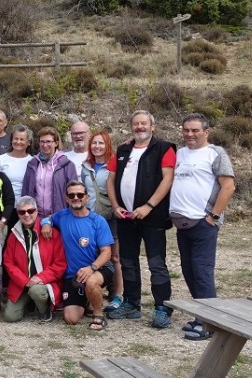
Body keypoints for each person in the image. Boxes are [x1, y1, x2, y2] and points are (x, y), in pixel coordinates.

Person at [106, 110, 176, 328]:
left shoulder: (164, 148)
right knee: (128, 261)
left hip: (152, 216)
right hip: (126, 217)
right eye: (136, 124)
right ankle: (132, 303)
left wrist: (148, 206)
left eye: (144, 123)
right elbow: (111, 180)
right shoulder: (123, 149)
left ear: (152, 126)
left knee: (156, 263)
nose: (139, 127)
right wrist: (116, 205)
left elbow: (168, 179)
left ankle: (162, 307)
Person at [169, 113, 235, 341]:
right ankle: (202, 315)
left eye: (195, 130)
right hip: (182, 223)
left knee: (202, 271)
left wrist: (213, 216)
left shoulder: (215, 154)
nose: (190, 134)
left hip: (203, 223)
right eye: (186, 129)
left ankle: (210, 324)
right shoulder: (179, 153)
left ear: (206, 131)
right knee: (188, 270)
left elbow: (228, 186)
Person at [41, 181, 114, 331]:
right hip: (73, 275)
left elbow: (107, 253)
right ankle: (89, 299)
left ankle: (98, 314)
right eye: (71, 195)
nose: (76, 198)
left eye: (80, 195)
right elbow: (47, 218)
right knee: (70, 318)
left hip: (98, 267)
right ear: (66, 199)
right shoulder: (62, 216)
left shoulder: (97, 221)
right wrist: (46, 223)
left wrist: (91, 268)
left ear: (87, 197)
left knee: (91, 282)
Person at [2, 197, 66, 323]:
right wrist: (24, 281)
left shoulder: (51, 232)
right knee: (10, 317)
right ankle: (29, 304)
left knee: (36, 291)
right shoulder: (14, 234)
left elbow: (60, 264)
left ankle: (44, 310)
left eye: (30, 211)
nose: (26, 215)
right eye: (22, 212)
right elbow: (8, 263)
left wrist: (40, 278)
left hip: (43, 284)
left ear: (37, 211)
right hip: (22, 284)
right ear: (18, 214)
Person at [79, 130, 123, 313]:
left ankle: (118, 294)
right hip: (91, 218)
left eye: (101, 143)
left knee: (114, 257)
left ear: (108, 145)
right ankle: (94, 291)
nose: (97, 147)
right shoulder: (85, 166)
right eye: (94, 143)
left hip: (110, 217)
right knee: (93, 254)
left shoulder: (114, 165)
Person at [22, 127, 77, 217]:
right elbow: (25, 190)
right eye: (42, 141)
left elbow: (73, 192)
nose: (45, 145)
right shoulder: (32, 164)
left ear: (56, 143)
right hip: (35, 216)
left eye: (48, 141)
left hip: (59, 215)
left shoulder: (66, 165)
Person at [0, 124, 34, 203]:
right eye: (16, 138)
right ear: (11, 140)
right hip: (4, 206)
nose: (18, 142)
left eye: (22, 139)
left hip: (25, 208)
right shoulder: (0, 159)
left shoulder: (32, 162)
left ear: (28, 142)